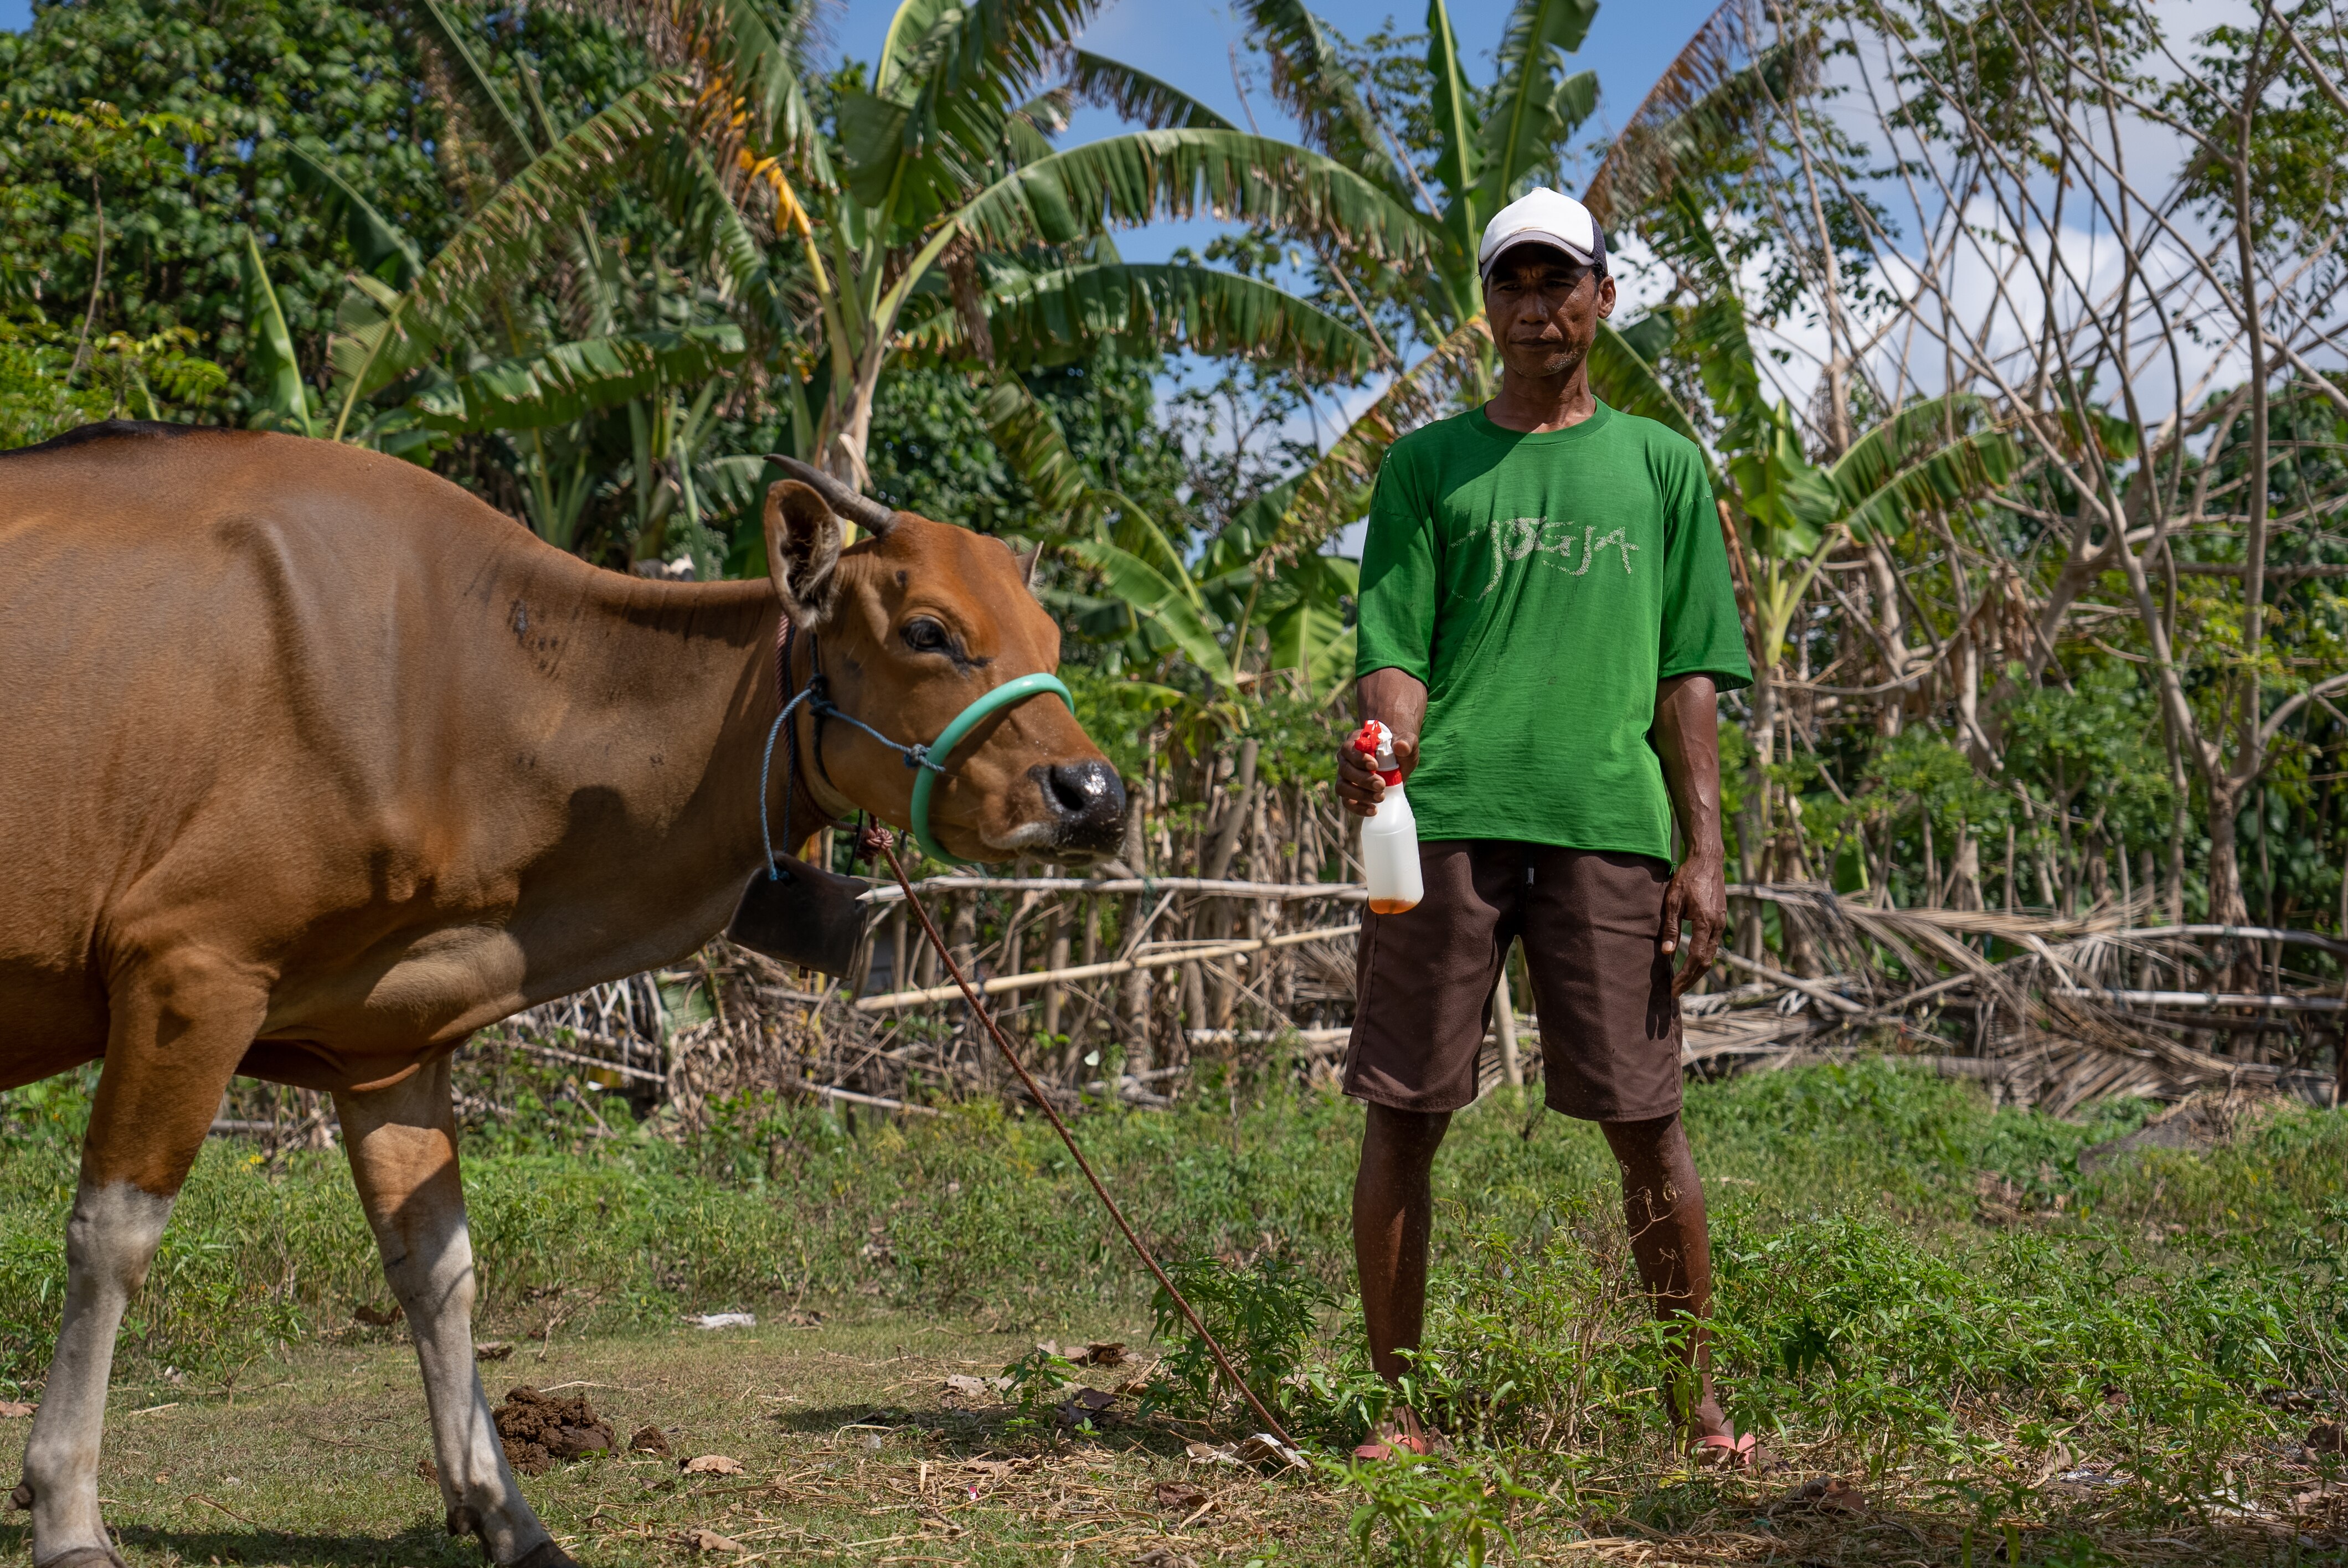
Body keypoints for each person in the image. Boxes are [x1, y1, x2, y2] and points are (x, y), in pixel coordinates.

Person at [1335, 187, 1758, 1466]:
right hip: (1447, 822)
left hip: (1605, 827)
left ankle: (1694, 1407)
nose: (1535, 309)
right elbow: (1394, 650)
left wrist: (1703, 848)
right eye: (1511, 286)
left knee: (1646, 1123)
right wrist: (1385, 748)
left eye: (1557, 283)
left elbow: (1689, 670)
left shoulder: (1661, 465)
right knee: (1403, 1114)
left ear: (1602, 300)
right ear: (1486, 306)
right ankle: (1398, 1412)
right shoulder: (1423, 465)